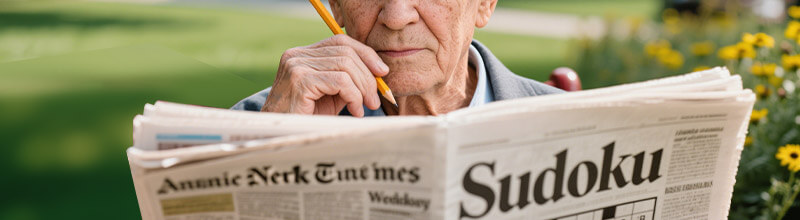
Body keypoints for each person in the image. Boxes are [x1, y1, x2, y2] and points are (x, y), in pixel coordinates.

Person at [232, 0, 563, 116]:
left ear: (485, 3)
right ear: (335, 5)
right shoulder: (255, 123)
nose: (396, 15)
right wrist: (268, 145)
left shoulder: (569, 119)